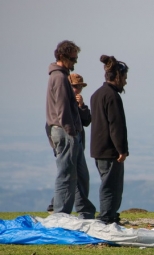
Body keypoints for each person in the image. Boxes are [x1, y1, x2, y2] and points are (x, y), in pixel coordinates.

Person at [45, 40, 96, 219]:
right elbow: (61, 108)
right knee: (66, 174)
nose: (75, 63)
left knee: (81, 175)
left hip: (69, 130)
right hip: (66, 131)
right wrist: (70, 130)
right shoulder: (59, 78)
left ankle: (85, 212)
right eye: (73, 58)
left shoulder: (62, 76)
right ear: (63, 56)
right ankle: (61, 214)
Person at [90, 55, 130, 225]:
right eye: (125, 78)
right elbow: (116, 125)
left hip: (98, 148)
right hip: (110, 149)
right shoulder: (112, 97)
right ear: (118, 76)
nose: (126, 83)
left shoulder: (96, 94)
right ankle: (106, 218)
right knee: (111, 187)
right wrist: (122, 149)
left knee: (108, 184)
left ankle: (111, 215)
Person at [47, 73, 91, 213]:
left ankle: (81, 210)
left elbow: (87, 120)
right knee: (66, 175)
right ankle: (56, 207)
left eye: (79, 87)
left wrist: (81, 106)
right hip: (67, 141)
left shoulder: (76, 103)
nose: (77, 90)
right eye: (74, 86)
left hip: (78, 145)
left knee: (78, 176)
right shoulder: (63, 101)